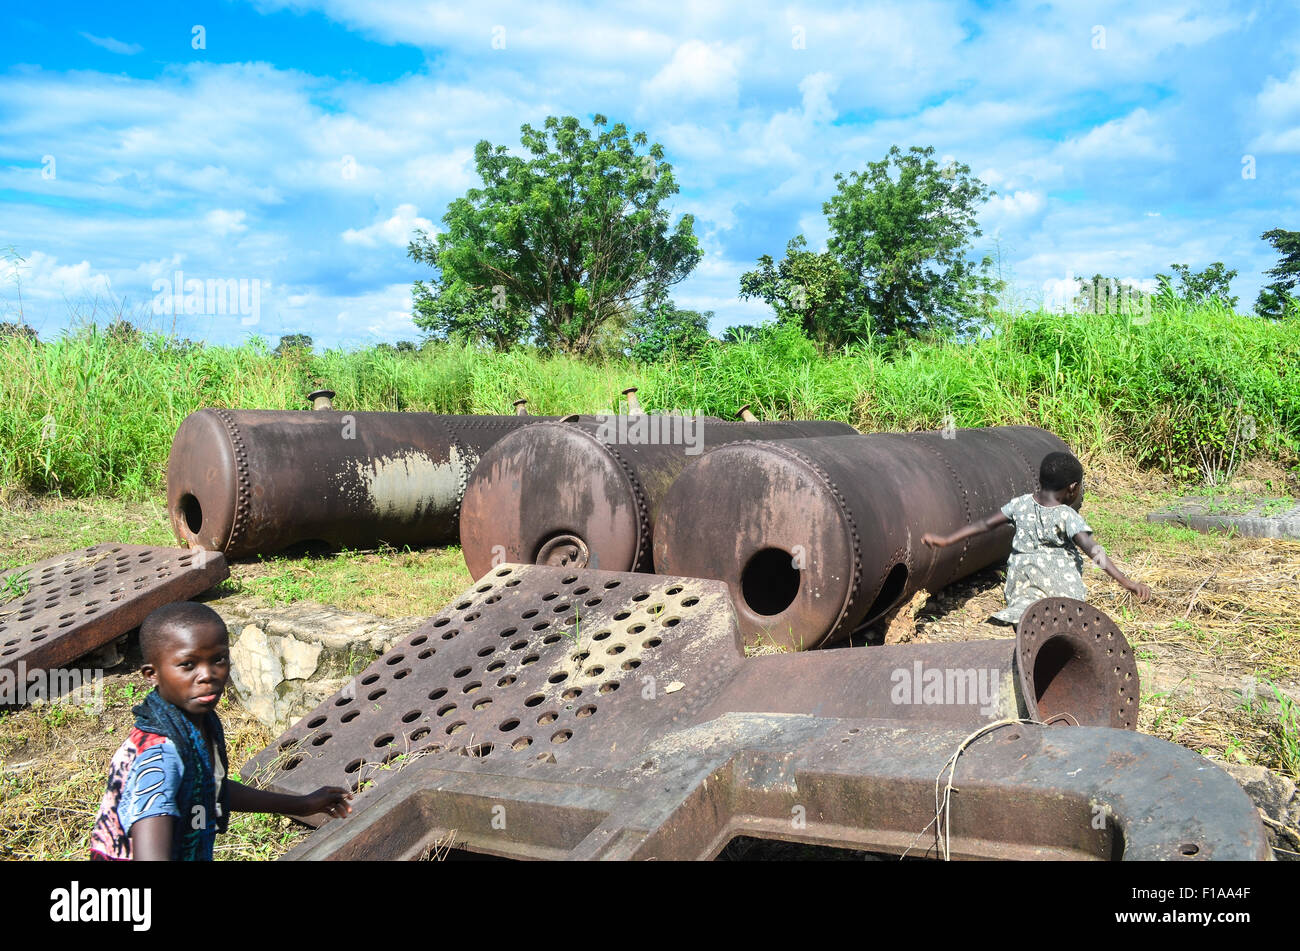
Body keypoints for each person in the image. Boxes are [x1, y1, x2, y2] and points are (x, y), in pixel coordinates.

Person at [89, 601, 351, 860]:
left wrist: (302, 805)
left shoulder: (195, 724)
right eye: (188, 665)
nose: (208, 675)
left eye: (218, 659)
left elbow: (212, 788)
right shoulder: (159, 757)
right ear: (152, 674)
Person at [921, 450, 1152, 625]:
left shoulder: (1019, 504)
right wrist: (1127, 582)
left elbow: (983, 525)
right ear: (1072, 488)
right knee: (1062, 617)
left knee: (1026, 616)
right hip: (1060, 586)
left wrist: (947, 540)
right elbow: (1094, 551)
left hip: (1022, 580)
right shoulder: (1066, 515)